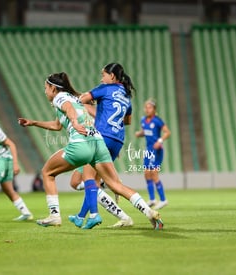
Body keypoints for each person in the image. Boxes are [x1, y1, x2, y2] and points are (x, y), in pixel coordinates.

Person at [18, 72, 163, 230]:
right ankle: (148, 211)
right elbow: (57, 125)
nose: (45, 91)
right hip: (99, 143)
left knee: (47, 172)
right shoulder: (74, 98)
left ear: (53, 88)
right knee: (114, 184)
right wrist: (33, 123)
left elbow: (68, 110)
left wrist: (74, 122)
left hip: (82, 144)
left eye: (45, 88)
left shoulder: (60, 97)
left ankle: (55, 215)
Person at [68, 62, 136, 228]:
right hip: (116, 140)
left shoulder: (104, 89)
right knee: (80, 181)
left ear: (111, 76)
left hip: (100, 138)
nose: (101, 78)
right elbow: (127, 121)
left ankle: (95, 214)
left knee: (85, 181)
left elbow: (81, 100)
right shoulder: (126, 96)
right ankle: (81, 215)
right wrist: (103, 114)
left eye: (103, 74)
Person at [135, 98, 171, 210]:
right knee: (146, 173)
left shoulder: (157, 121)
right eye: (146, 107)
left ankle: (163, 199)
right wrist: (139, 134)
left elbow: (167, 132)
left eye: (149, 107)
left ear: (154, 109)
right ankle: (152, 199)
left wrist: (159, 141)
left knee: (154, 173)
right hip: (148, 150)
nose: (147, 109)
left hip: (156, 150)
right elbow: (145, 133)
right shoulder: (143, 120)